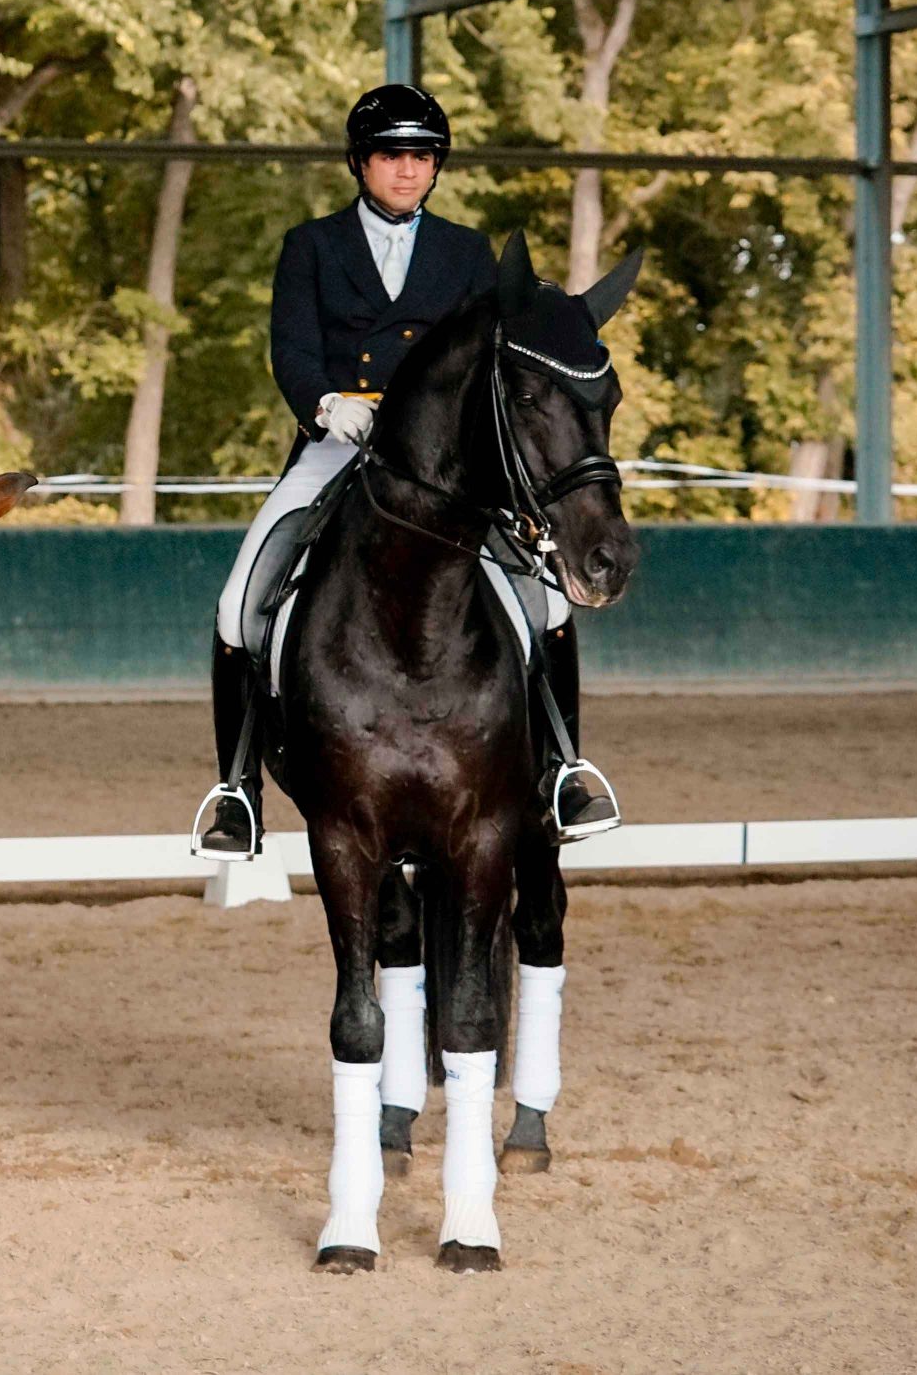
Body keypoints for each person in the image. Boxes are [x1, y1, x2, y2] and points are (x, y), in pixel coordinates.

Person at [191, 83, 617, 860]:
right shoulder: (312, 246)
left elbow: (492, 359)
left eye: (422, 156)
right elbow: (289, 345)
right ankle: (237, 790)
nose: (408, 170)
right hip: (337, 440)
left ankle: (563, 766)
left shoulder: (467, 251)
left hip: (440, 462)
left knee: (546, 607)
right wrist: (325, 401)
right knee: (236, 605)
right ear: (361, 162)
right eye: (393, 155)